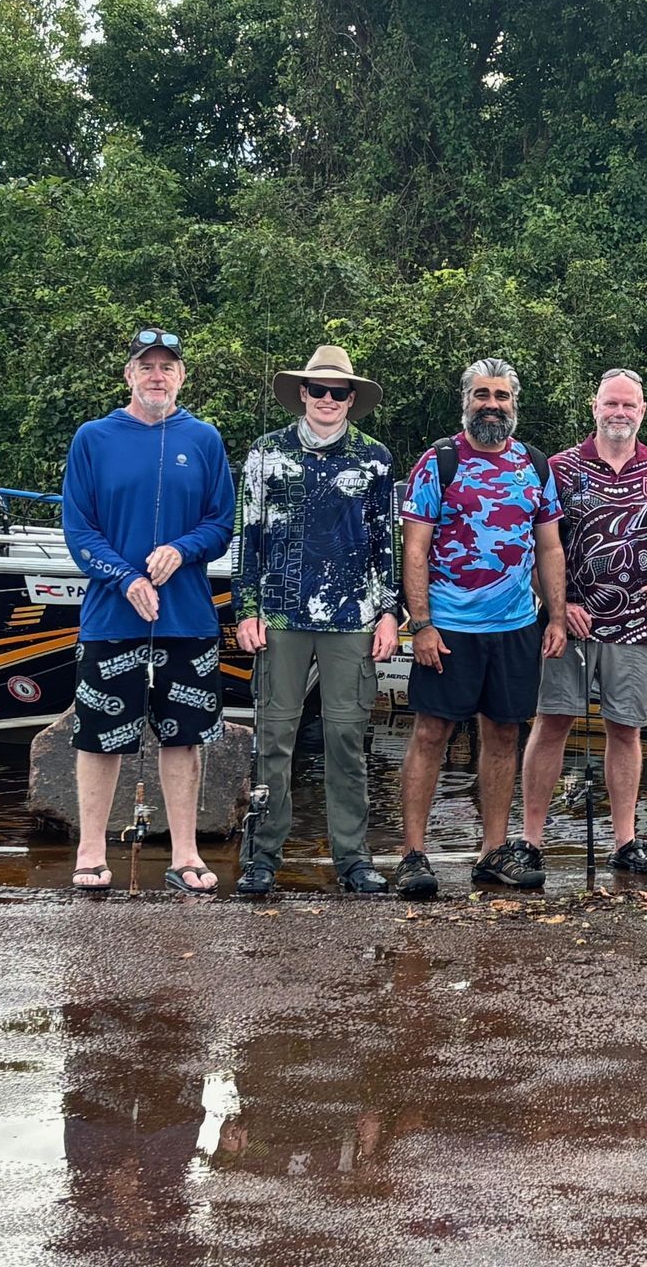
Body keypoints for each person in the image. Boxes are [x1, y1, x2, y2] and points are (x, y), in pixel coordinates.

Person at [518, 369, 647, 873]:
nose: (619, 413)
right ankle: (530, 841)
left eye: (629, 405)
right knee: (552, 722)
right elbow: (533, 546)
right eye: (611, 404)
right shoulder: (559, 469)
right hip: (566, 626)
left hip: (635, 626)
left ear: (642, 411)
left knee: (625, 729)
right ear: (595, 407)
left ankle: (626, 842)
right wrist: (558, 605)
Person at [62, 327, 237, 895]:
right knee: (99, 736)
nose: (157, 375)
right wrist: (125, 575)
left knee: (183, 738)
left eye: (168, 366)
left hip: (187, 617)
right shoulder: (93, 438)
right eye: (147, 366)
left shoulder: (205, 439)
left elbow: (220, 525)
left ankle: (185, 853)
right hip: (112, 615)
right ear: (129, 375)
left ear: (182, 376)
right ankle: (91, 850)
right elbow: (78, 529)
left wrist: (180, 550)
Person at [394, 357, 567, 899]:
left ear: (514, 404)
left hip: (515, 625)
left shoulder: (535, 466)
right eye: (482, 395)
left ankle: (492, 852)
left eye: (502, 396)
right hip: (448, 625)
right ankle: (413, 855)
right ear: (465, 401)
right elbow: (415, 548)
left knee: (504, 734)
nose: (492, 405)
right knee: (430, 733)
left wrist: (556, 615)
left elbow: (549, 546)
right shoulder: (438, 463)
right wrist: (420, 624)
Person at [232, 346, 400, 896]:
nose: (329, 400)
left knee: (347, 740)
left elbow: (385, 544)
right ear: (302, 393)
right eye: (319, 390)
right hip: (279, 614)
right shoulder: (264, 454)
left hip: (353, 617)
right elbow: (247, 539)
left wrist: (389, 613)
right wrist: (247, 609)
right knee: (272, 739)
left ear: (352, 399)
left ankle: (352, 858)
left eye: (339, 392)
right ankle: (260, 858)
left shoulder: (376, 458)